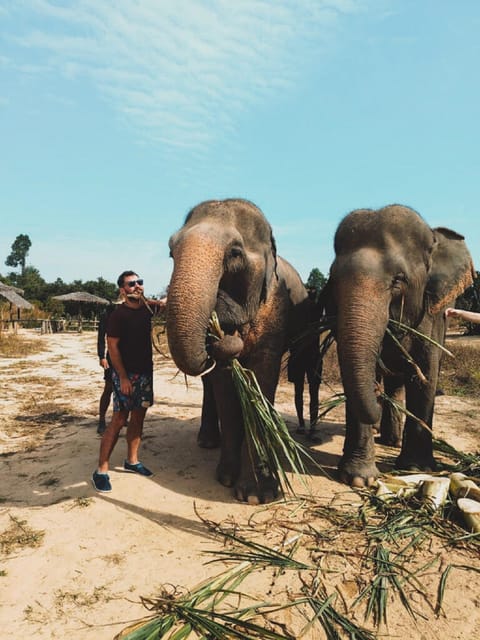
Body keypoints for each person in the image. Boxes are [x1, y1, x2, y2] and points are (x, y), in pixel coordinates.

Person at [92, 271, 166, 493]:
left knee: (139, 417)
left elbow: (166, 303)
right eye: (131, 284)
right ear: (122, 290)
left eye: (139, 282)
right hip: (125, 374)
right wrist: (122, 377)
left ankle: (132, 461)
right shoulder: (118, 315)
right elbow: (112, 347)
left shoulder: (147, 308)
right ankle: (101, 471)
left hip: (145, 373)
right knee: (119, 419)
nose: (137, 286)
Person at [96, 304, 115, 435]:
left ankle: (120, 417)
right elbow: (101, 337)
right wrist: (102, 356)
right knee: (109, 387)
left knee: (127, 390)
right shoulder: (108, 313)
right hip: (112, 355)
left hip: (129, 356)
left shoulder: (133, 309)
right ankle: (102, 419)